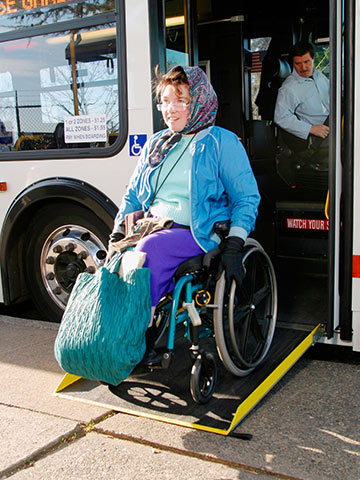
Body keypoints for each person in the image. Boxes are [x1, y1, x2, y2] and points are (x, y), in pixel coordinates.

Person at [109, 65, 260, 364]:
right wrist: (116, 231)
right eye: (165, 101)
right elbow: (133, 196)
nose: (170, 109)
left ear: (200, 101)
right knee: (117, 258)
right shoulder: (157, 144)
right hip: (154, 228)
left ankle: (139, 340)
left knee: (149, 249)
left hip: (199, 231)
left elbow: (246, 198)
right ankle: (111, 334)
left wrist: (235, 243)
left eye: (180, 100)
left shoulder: (221, 142)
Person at [274, 42, 329, 152]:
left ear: (313, 59)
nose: (303, 67)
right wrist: (311, 129)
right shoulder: (289, 87)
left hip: (335, 123)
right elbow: (280, 117)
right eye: (298, 63)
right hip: (320, 137)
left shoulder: (319, 76)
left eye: (306, 62)